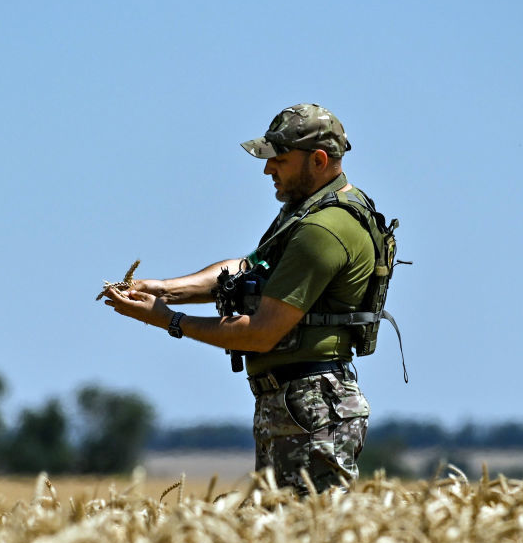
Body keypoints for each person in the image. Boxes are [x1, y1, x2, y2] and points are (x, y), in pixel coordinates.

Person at [103, 103, 382, 496]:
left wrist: (169, 320)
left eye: (279, 160)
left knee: (306, 542)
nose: (268, 170)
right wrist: (164, 289)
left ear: (318, 160)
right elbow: (246, 269)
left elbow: (261, 333)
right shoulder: (306, 213)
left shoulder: (323, 228)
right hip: (296, 403)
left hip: (311, 407)